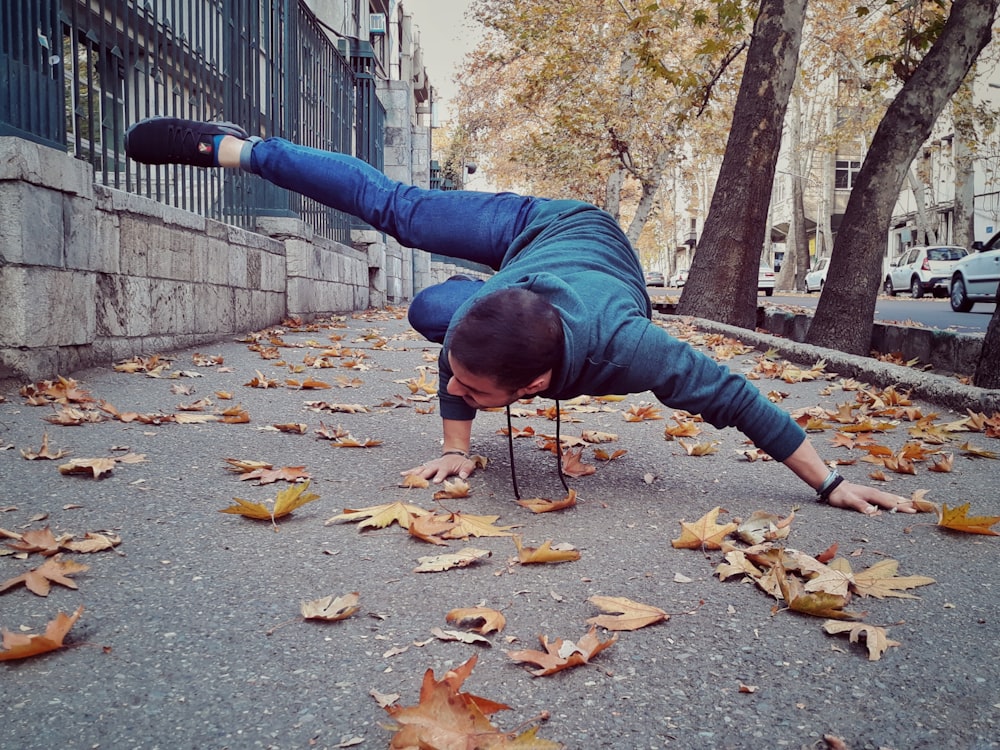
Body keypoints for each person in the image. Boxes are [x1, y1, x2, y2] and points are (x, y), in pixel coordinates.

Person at [124, 117, 915, 515]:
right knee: (404, 227)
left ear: (536, 384)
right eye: (462, 382)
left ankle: (467, 282)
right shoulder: (484, 327)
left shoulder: (636, 352)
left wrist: (832, 482)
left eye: (477, 391)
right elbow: (460, 359)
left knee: (430, 309)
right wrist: (455, 450)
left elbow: (740, 400)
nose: (458, 390)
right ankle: (241, 149)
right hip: (534, 229)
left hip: (589, 251)